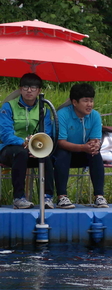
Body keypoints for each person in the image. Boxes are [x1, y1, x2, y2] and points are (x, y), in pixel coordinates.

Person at [0, 73, 55, 209]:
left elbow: (46, 133)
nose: (29, 90)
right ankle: (19, 198)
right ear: (20, 89)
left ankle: (48, 197)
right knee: (20, 153)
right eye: (25, 87)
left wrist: (37, 148)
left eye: (33, 87)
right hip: (10, 149)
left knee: (46, 156)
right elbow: (5, 134)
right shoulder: (8, 107)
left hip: (36, 149)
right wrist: (24, 143)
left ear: (39, 90)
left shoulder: (44, 110)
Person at [53, 83, 107, 209]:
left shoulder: (95, 116)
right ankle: (62, 197)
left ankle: (99, 196)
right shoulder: (62, 115)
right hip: (64, 152)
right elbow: (61, 142)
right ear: (74, 102)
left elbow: (95, 139)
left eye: (91, 101)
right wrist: (83, 147)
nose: (90, 104)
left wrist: (95, 145)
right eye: (85, 101)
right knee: (62, 154)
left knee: (95, 154)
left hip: (83, 153)